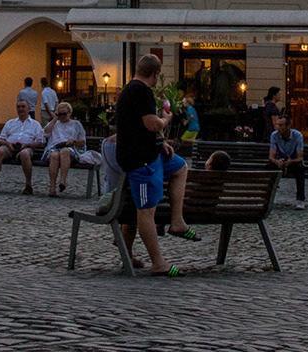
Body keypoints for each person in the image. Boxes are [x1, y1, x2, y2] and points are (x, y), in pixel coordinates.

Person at [115, 54, 197, 278]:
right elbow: (151, 124)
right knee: (146, 211)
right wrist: (166, 120)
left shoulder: (130, 90)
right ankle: (158, 263)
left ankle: (177, 221)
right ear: (156, 75)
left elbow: (137, 128)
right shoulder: (141, 92)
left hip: (150, 153)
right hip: (141, 162)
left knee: (179, 167)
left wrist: (160, 144)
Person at [0, 97, 46, 193]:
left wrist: (27, 145)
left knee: (25, 154)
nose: (21, 109)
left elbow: (40, 142)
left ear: (29, 109)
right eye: (18, 107)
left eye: (23, 107)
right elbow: (1, 139)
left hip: (26, 148)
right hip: (9, 147)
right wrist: (8, 143)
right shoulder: (10, 123)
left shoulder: (35, 125)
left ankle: (28, 185)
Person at [43, 102, 100, 197]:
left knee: (65, 151)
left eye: (64, 114)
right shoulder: (54, 124)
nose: (62, 116)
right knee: (54, 155)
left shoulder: (76, 124)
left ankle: (62, 180)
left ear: (69, 113)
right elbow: (45, 132)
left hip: (70, 149)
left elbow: (82, 142)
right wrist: (55, 119)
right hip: (54, 148)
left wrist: (73, 141)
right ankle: (52, 188)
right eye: (59, 114)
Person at [268, 113, 308, 209]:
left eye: (281, 125)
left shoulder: (297, 136)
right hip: (280, 162)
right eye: (278, 124)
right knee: (269, 167)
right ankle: (268, 197)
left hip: (293, 162)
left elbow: (300, 157)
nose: (278, 127)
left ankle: (300, 200)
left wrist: (291, 161)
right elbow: (271, 156)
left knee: (300, 169)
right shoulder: (274, 135)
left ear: (288, 126)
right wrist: (277, 161)